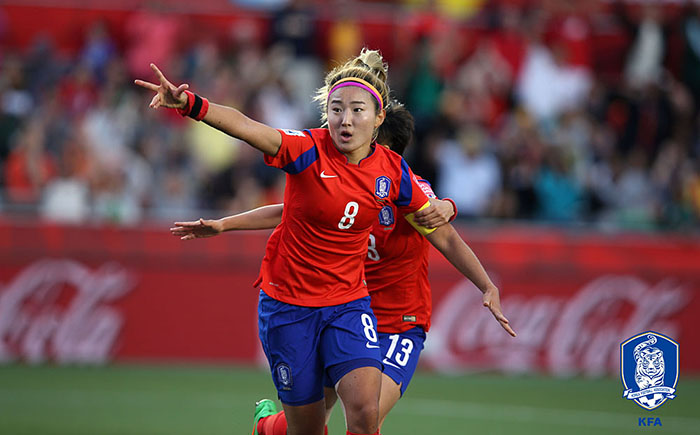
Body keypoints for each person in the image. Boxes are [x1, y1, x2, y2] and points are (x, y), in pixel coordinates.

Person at [137, 48, 514, 435]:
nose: (345, 120)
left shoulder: (393, 172)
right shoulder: (306, 151)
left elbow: (441, 230)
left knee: (366, 417)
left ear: (378, 119)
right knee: (309, 430)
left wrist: (483, 280)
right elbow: (248, 128)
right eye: (336, 109)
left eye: (356, 111)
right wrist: (188, 103)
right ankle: (267, 426)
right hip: (289, 308)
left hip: (351, 306)